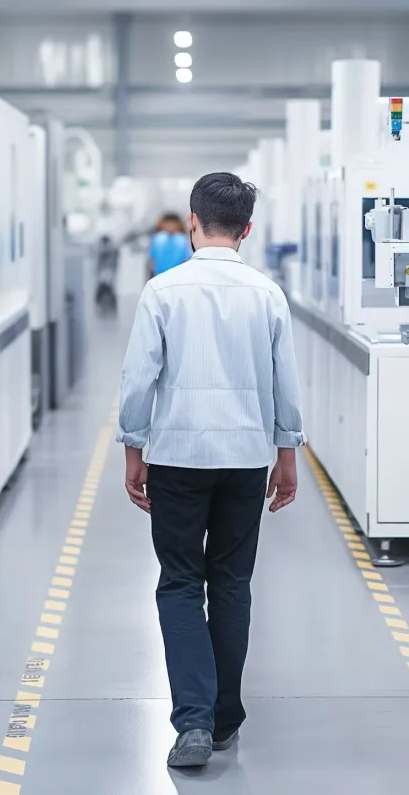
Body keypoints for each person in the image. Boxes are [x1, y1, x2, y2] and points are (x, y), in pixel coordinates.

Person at [116, 172, 306, 769]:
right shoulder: (267, 294)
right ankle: (225, 718)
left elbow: (139, 378)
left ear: (193, 223)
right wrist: (287, 454)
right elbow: (285, 383)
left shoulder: (163, 291)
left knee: (179, 581)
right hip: (246, 459)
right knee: (230, 581)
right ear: (247, 229)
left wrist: (132, 448)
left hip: (177, 456)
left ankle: (192, 722)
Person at [148, 212, 192, 278]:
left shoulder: (183, 240)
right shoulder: (157, 239)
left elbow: (187, 258)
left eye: (173, 223)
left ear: (178, 224)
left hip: (177, 275)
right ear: (162, 224)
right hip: (159, 275)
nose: (170, 226)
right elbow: (152, 259)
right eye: (167, 223)